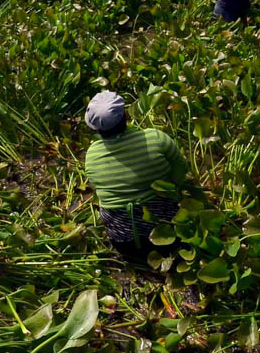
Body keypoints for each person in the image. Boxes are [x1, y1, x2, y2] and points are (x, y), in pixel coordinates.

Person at [82, 91, 193, 260]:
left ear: (94, 128)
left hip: (124, 244)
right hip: (170, 236)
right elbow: (181, 172)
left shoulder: (91, 155)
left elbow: (98, 189)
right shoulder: (156, 138)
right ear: (126, 115)